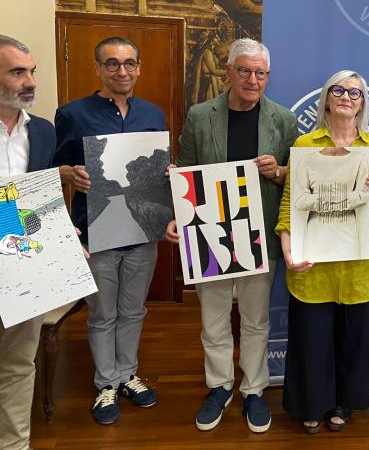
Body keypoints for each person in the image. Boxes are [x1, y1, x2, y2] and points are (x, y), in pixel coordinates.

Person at [165, 38, 297, 433]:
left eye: (260, 73)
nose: (252, 79)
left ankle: (254, 389)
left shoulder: (283, 119)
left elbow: (298, 176)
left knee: (256, 320)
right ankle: (219, 386)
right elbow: (183, 169)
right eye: (244, 70)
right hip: (209, 233)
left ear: (268, 77)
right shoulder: (200, 115)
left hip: (259, 236)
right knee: (214, 319)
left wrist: (279, 171)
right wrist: (178, 216)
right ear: (228, 71)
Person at [55, 36, 167, 425]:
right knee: (102, 313)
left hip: (141, 229)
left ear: (138, 67)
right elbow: (50, 174)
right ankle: (106, 383)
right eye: (113, 63)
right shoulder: (72, 114)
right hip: (95, 229)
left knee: (133, 309)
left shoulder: (153, 113)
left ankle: (127, 374)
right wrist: (67, 174)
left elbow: (159, 170)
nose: (123, 71)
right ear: (98, 68)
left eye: (130, 63)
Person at [275, 70, 369, 434]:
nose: (346, 97)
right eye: (338, 90)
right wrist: (288, 249)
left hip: (356, 263)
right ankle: (312, 403)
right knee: (313, 337)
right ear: (326, 98)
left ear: (362, 103)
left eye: (354, 93)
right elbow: (292, 200)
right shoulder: (305, 145)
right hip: (313, 261)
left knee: (352, 338)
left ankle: (342, 403)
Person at [0, 35, 56, 450]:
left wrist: (61, 231)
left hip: (24, 263)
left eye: (31, 71)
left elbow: (39, 199)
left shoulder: (44, 133)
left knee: (19, 363)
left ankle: (15, 444)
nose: (29, 81)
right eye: (17, 72)